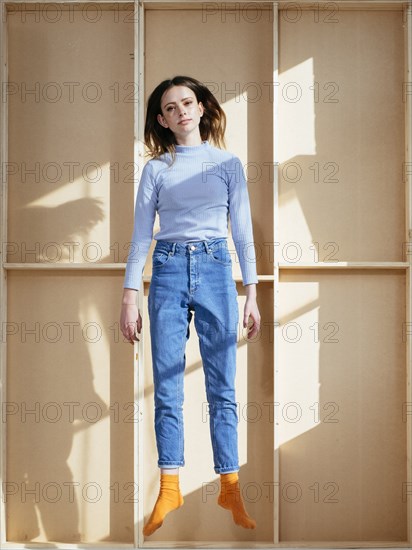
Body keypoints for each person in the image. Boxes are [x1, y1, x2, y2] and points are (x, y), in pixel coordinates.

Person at [120, 75, 261, 536]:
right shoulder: (157, 169)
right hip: (168, 269)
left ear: (201, 108)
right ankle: (170, 484)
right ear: (162, 119)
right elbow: (142, 234)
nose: (181, 110)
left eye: (187, 102)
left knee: (222, 386)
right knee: (167, 385)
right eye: (170, 107)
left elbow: (241, 231)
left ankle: (230, 486)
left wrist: (252, 292)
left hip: (218, 268)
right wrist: (129, 293)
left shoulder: (227, 164)